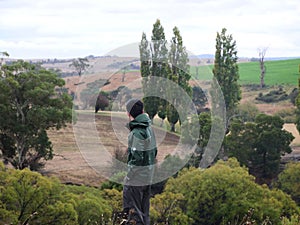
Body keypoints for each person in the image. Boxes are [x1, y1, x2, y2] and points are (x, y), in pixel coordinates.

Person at [122, 99, 157, 225]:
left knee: (134, 215)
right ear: (142, 110)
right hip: (148, 176)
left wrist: (129, 176)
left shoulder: (137, 132)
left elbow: (137, 158)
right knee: (144, 213)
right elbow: (154, 152)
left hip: (137, 179)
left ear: (128, 114)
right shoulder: (149, 129)